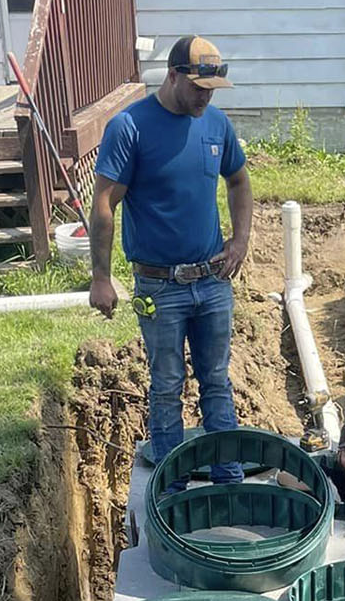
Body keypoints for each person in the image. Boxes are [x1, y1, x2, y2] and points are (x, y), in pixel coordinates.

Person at [89, 35, 254, 485]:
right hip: (160, 286)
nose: (205, 97)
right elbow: (105, 203)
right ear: (173, 74)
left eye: (212, 90)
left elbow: (238, 181)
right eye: (198, 87)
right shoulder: (131, 128)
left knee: (217, 380)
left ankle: (229, 479)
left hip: (213, 279)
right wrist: (100, 278)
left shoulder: (216, 124)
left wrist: (239, 241)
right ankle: (174, 484)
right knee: (166, 385)